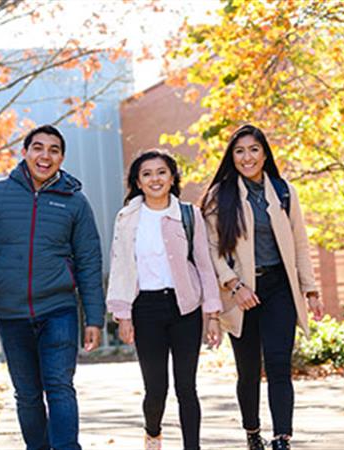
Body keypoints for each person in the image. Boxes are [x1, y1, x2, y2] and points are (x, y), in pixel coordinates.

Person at [0, 124, 105, 450]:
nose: (45, 156)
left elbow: (90, 262)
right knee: (28, 393)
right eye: (38, 147)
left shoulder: (75, 203)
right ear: (25, 152)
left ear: (62, 158)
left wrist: (94, 318)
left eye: (54, 150)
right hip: (11, 310)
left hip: (59, 308)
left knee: (60, 386)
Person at [202, 125, 324, 450]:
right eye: (240, 151)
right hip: (241, 292)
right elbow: (211, 249)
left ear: (265, 153)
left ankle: (282, 437)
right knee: (248, 371)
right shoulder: (219, 196)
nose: (247, 157)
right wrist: (234, 284)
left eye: (254, 149)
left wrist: (310, 290)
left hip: (279, 289)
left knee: (279, 364)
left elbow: (300, 243)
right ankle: (252, 432)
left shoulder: (284, 191)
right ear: (232, 156)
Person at [106, 149, 222, 450]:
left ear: (172, 177)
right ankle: (153, 433)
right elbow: (120, 266)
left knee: (187, 387)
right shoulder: (127, 217)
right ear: (138, 182)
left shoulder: (188, 214)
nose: (154, 178)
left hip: (186, 307)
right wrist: (123, 314)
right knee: (156, 389)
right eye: (147, 174)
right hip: (145, 309)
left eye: (161, 172)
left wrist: (212, 314)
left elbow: (204, 265)